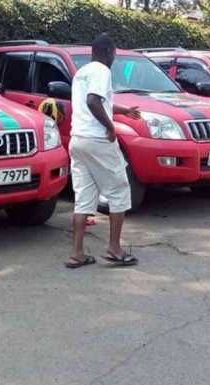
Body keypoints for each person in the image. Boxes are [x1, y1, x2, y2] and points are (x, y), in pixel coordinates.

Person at [65, 34, 141, 269]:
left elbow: (100, 102)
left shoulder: (83, 72)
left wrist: (124, 111)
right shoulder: (102, 71)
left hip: (78, 140)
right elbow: (93, 102)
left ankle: (77, 254)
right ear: (109, 52)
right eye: (115, 54)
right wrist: (110, 127)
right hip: (97, 139)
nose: (115, 58)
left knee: (84, 197)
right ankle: (114, 249)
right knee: (119, 189)